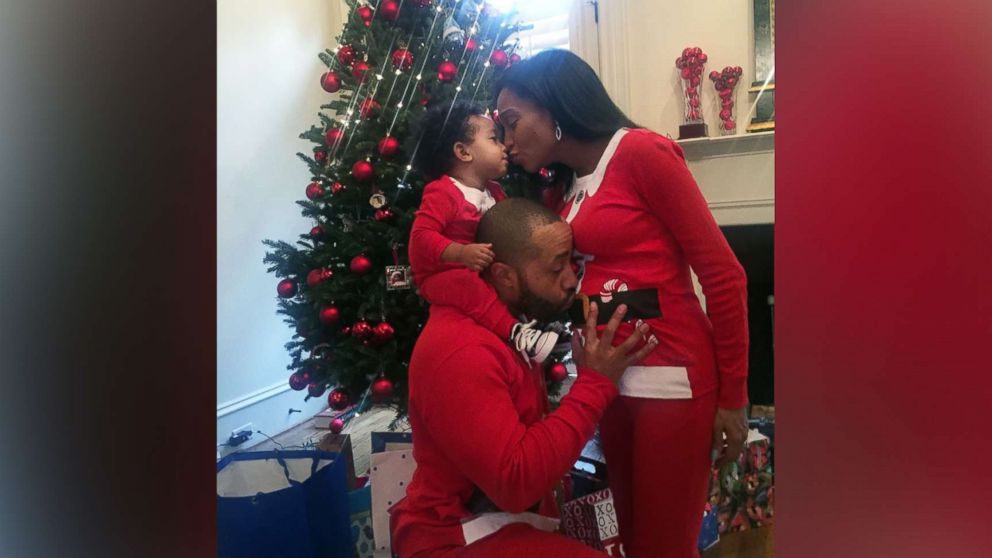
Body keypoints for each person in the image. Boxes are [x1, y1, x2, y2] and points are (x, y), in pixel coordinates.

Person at [494, 49, 750, 558]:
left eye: (512, 121)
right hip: (610, 384)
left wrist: (734, 397)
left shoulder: (642, 153)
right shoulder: (568, 187)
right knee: (633, 538)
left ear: (552, 104)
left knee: (665, 546)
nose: (506, 140)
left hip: (672, 382)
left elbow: (724, 275)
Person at [390, 198, 659, 558]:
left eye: (572, 263)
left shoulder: (510, 327)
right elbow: (516, 483)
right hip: (454, 536)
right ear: (504, 276)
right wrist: (595, 384)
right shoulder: (460, 350)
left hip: (504, 521)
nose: (571, 281)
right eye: (555, 268)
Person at [409, 100, 561, 364]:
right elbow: (420, 238)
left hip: (480, 265)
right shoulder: (443, 192)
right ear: (463, 152)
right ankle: (517, 334)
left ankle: (539, 318)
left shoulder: (494, 192)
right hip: (442, 275)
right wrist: (459, 252)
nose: (505, 147)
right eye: (494, 139)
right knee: (469, 285)